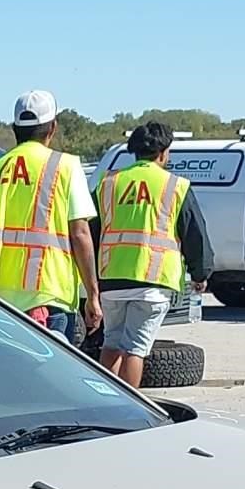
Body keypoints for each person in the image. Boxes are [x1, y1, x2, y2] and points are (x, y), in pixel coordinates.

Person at [0, 90, 100, 342]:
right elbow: (80, 233)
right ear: (52, 127)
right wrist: (92, 294)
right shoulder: (66, 166)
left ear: (14, 128)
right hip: (48, 296)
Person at [91, 120, 207, 387]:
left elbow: (91, 230)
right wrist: (201, 273)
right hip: (153, 282)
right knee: (136, 348)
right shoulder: (175, 186)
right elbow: (194, 232)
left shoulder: (108, 184)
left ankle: (104, 400)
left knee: (111, 344)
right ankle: (130, 408)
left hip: (111, 279)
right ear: (164, 152)